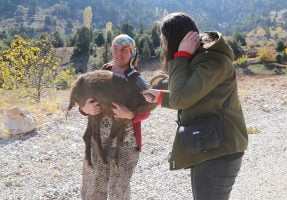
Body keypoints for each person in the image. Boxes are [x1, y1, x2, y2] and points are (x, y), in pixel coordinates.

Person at [142, 12, 248, 200]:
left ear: (173, 40)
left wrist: (180, 56)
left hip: (219, 151)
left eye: (164, 41)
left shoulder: (213, 61)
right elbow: (195, 96)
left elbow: (182, 98)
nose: (163, 46)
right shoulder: (203, 58)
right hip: (210, 147)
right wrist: (160, 97)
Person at [79, 34, 149, 200]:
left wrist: (130, 114)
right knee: (94, 187)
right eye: (115, 49)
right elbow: (81, 100)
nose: (119, 53)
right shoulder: (98, 76)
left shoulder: (138, 80)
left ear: (132, 52)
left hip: (125, 145)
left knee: (119, 190)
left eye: (124, 49)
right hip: (97, 143)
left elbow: (147, 110)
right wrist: (85, 108)